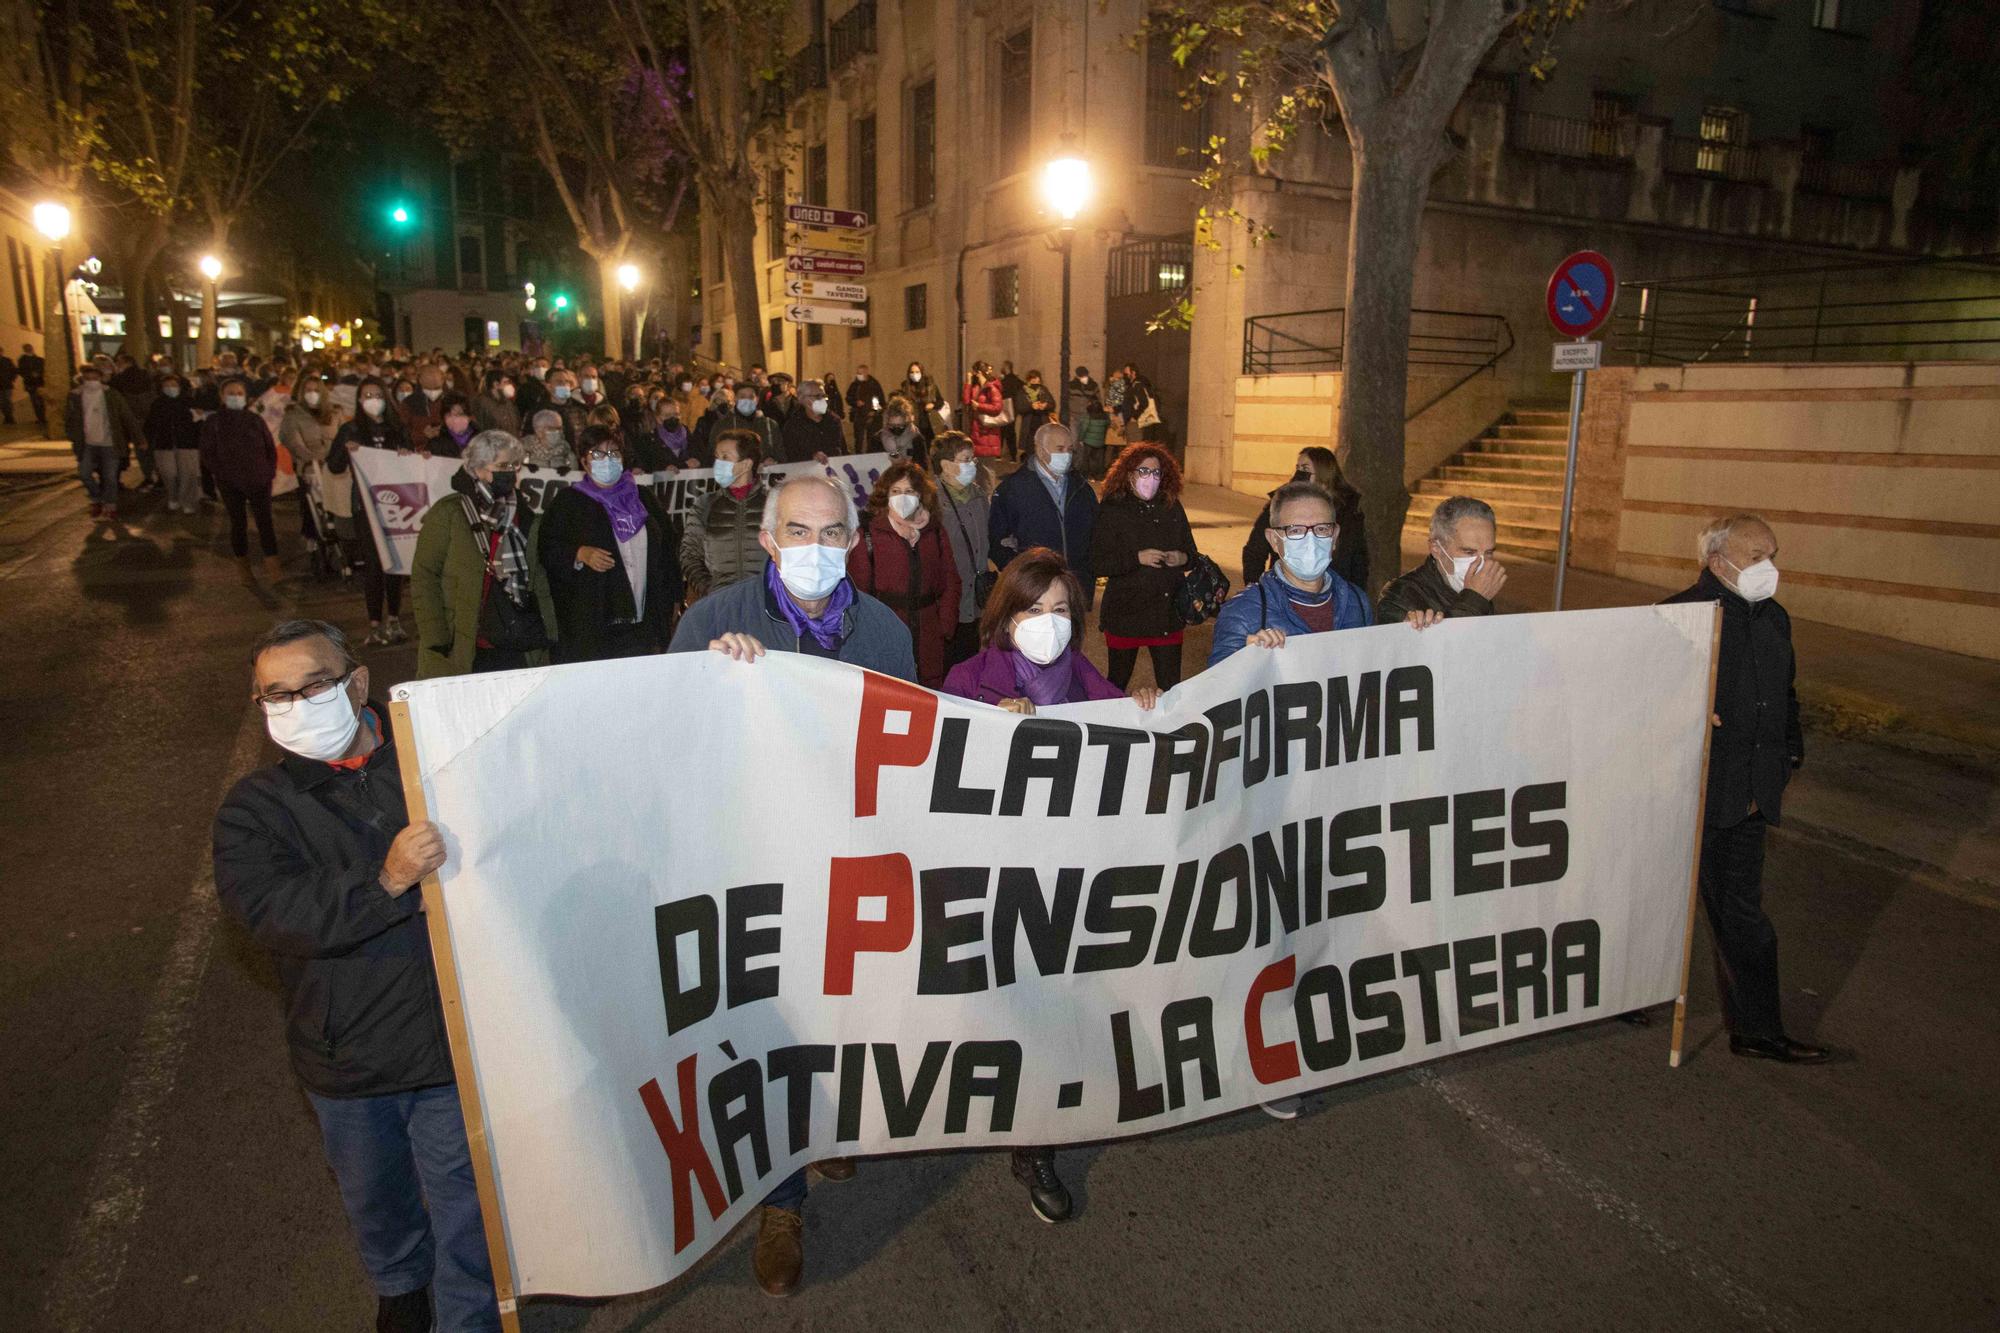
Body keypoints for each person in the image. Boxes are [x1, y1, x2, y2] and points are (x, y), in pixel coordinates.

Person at [212, 619, 501, 1333]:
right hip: (346, 1058)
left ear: (357, 683)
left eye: (311, 684)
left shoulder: (435, 761)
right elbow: (273, 911)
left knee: (469, 1207)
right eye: (274, 694)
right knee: (378, 1198)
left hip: (448, 1048)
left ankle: (469, 1320)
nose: (295, 704)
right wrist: (386, 880)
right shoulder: (256, 810)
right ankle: (401, 1282)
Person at [668, 474, 908, 1296]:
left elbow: (909, 747)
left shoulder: (886, 630)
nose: (816, 549)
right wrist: (711, 684)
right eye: (798, 532)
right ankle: (782, 1198)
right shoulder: (713, 622)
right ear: (768, 539)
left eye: (832, 532)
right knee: (773, 1032)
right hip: (755, 867)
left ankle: (827, 1127)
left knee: (841, 1013)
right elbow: (668, 744)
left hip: (848, 863)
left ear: (855, 539)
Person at [939, 547, 1159, 1223]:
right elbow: (933, 784)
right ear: (1004, 617)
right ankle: (1021, 1130)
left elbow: (1143, 751)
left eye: (1062, 610)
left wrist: (1149, 708)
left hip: (1076, 875)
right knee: (1015, 1007)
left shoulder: (1089, 681)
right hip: (1000, 881)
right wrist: (986, 729)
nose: (1049, 622)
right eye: (1034, 609)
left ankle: (1040, 1133)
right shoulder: (967, 679)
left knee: (1063, 1005)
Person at [1662, 516, 1829, 1064]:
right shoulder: (1680, 617)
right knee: (1651, 897)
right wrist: (1683, 713)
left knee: (1741, 915)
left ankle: (1756, 1029)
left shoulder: (1775, 619)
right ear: (1718, 563)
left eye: (1772, 554)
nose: (1769, 567)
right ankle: (1618, 995)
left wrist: (1789, 754)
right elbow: (1640, 699)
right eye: (1755, 556)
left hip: (1749, 795)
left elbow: (1786, 694)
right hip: (1689, 793)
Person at [410, 431, 552, 677]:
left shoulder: (525, 515)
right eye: (502, 466)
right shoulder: (450, 513)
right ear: (478, 469)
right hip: (464, 644)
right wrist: (436, 636)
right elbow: (425, 577)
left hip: (515, 639)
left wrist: (550, 632)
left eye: (515, 465)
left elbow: (537, 578)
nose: (511, 472)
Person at [533, 426, 682, 661]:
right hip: (595, 627)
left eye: (614, 453)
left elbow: (667, 548)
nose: (607, 460)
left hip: (644, 623)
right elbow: (547, 549)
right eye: (598, 454)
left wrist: (673, 596)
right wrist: (579, 554)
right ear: (584, 462)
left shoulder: (643, 497)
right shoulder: (569, 502)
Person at [1209, 479, 1374, 666]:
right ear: (1274, 540)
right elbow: (1219, 687)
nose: (1310, 540)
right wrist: (1244, 659)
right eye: (1295, 530)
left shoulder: (1357, 602)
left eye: (1321, 529)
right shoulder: (1243, 613)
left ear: (1334, 536)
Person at [1091, 443, 1198, 692]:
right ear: (1129, 473)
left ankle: (1172, 730)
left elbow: (1192, 554)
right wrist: (1136, 557)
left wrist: (1181, 558)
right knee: (1117, 682)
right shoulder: (1112, 508)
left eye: (1157, 472)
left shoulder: (1171, 505)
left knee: (1171, 686)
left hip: (1166, 614)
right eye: (1144, 471)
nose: (1151, 478)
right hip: (1126, 612)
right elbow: (1098, 562)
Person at [848, 462, 961, 687]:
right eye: (896, 491)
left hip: (929, 635)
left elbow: (951, 579)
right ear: (885, 495)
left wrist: (944, 626)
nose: (903, 497)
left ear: (921, 495)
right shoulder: (869, 535)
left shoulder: (935, 532)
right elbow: (857, 591)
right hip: (886, 631)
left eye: (909, 491)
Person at [327, 378, 414, 645]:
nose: (372, 399)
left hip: (395, 504)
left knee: (395, 563)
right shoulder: (350, 429)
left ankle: (394, 619)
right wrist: (346, 450)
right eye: (367, 395)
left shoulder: (396, 429)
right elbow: (334, 466)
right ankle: (375, 622)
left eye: (377, 394)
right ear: (359, 399)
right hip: (365, 505)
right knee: (374, 564)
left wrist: (406, 455)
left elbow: (409, 463)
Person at [988, 422, 1099, 607]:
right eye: (1060, 449)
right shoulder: (1013, 490)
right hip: (1033, 592)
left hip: (1075, 589)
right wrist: (1021, 577)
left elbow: (1095, 535)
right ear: (1040, 450)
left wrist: (1088, 575)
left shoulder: (1081, 488)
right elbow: (997, 542)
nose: (1067, 455)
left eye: (1070, 449)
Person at [1243, 447, 1368, 592]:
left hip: (1335, 595)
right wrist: (1256, 591)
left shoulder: (1349, 513)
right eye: (1297, 468)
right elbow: (1255, 551)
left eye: (1305, 468)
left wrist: (1355, 596)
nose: (1299, 474)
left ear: (1324, 474)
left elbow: (1358, 561)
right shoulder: (1280, 504)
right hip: (1285, 593)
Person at [1378, 495, 1506, 627]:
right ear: (1436, 549)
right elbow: (1448, 645)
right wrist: (1475, 599)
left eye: (1489, 552)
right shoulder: (1399, 598)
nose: (1482, 563)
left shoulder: (1478, 589)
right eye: (1469, 553)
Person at [200, 374, 283, 577]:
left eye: (239, 393)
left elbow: (269, 448)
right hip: (230, 482)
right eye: (231, 394)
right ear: (222, 397)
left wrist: (268, 472)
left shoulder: (255, 420)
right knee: (238, 523)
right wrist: (221, 473)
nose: (235, 397)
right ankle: (243, 566)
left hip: (259, 479)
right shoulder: (214, 422)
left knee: (265, 522)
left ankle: (272, 563)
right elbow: (207, 453)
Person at [679, 428, 769, 600]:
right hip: (720, 606)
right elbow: (689, 555)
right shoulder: (705, 505)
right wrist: (710, 591)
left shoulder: (774, 504)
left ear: (747, 464)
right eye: (717, 457)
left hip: (765, 605)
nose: (718, 463)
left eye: (725, 457)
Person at [930, 433, 991, 667]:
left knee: (972, 660)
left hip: (977, 597)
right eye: (965, 460)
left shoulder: (979, 497)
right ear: (946, 465)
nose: (972, 465)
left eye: (972, 459)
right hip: (948, 599)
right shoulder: (931, 500)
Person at [65, 361, 138, 521]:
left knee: (110, 477)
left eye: (94, 378)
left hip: (109, 443)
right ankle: (96, 498)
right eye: (88, 378)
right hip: (87, 444)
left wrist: (138, 438)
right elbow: (70, 419)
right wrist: (73, 436)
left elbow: (127, 416)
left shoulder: (111, 394)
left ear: (100, 378)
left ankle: (110, 505)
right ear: (82, 378)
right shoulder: (75, 396)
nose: (91, 381)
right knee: (84, 474)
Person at [279, 377, 340, 548]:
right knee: (313, 504)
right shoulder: (293, 415)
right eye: (308, 390)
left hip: (334, 466)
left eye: (316, 390)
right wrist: (312, 460)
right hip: (310, 468)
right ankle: (312, 535)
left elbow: (342, 437)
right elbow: (293, 442)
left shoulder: (334, 413)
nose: (312, 394)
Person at [146, 371, 202, 513]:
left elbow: (198, 422)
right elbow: (150, 424)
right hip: (164, 444)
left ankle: (188, 502)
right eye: (167, 385)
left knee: (188, 473)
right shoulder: (157, 404)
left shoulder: (189, 402)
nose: (170, 387)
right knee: (168, 473)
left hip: (188, 443)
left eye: (173, 384)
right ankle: (173, 496)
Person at [777, 379, 845, 461]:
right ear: (803, 399)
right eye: (817, 396)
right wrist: (811, 456)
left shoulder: (833, 420)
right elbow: (789, 454)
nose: (822, 399)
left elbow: (842, 449)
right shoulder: (793, 425)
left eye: (824, 396)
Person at [963, 364, 1006, 459]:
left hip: (988, 431)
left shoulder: (992, 388)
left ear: (979, 373)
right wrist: (968, 382)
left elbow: (997, 408)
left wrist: (979, 406)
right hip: (977, 428)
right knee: (979, 465)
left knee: (987, 465)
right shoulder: (977, 387)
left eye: (974, 372)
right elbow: (966, 401)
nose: (973, 374)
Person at [401, 365, 447, 451]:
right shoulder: (409, 403)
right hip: (420, 454)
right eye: (428, 388)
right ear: (420, 381)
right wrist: (422, 434)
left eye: (436, 388)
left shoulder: (452, 401)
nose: (433, 391)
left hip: (449, 454)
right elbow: (402, 434)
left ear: (443, 380)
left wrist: (444, 432)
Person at [900, 361, 946, 441]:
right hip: (914, 423)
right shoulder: (905, 388)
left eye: (917, 372)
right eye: (912, 372)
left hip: (930, 423)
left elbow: (940, 402)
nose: (914, 374)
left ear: (922, 372)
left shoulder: (931, 386)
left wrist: (933, 405)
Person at [845, 363, 886, 449]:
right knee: (859, 439)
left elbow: (880, 401)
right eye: (858, 373)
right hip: (859, 415)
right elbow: (848, 397)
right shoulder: (855, 385)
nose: (858, 375)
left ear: (866, 373)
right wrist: (856, 402)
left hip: (873, 417)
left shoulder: (874, 384)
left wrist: (874, 411)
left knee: (872, 439)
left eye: (861, 373)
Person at [876, 395, 925, 462]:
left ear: (907, 422)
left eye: (900, 425)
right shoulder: (877, 439)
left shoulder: (916, 439)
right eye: (892, 425)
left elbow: (922, 467)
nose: (896, 429)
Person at [472, 371, 521, 437]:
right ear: (496, 384)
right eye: (505, 382)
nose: (509, 385)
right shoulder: (483, 403)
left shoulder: (506, 400)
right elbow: (484, 427)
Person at [20, 343, 47, 427]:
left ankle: (44, 417)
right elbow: (21, 371)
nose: (29, 349)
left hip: (40, 383)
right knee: (35, 402)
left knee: (42, 401)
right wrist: (30, 375)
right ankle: (40, 418)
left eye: (30, 347)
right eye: (27, 348)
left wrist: (39, 374)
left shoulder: (39, 359)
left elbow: (44, 369)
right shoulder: (22, 360)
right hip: (30, 384)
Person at [0, 346, 16, 425]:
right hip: (3, 385)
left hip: (7, 384)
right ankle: (8, 417)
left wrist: (11, 379)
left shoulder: (7, 360)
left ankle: (10, 417)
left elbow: (14, 370)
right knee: (2, 402)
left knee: (8, 401)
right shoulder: (7, 360)